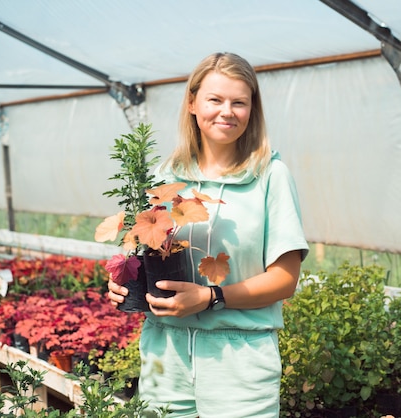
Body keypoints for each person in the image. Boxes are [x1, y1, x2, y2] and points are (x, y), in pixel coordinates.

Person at [107, 52, 309, 418]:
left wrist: (211, 296)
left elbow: (285, 279)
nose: (227, 111)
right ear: (192, 104)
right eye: (215, 99)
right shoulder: (163, 176)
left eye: (239, 102)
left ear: (252, 110)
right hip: (164, 351)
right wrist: (123, 283)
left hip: (239, 357)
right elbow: (143, 251)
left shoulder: (270, 176)